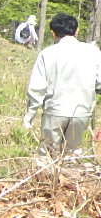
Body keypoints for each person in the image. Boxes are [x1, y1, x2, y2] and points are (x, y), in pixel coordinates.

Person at [23, 13, 101, 157]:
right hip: (82, 112)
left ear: (53, 33)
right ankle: (72, 178)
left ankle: (48, 178)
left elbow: (37, 88)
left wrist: (30, 115)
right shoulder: (93, 52)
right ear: (76, 31)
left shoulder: (47, 53)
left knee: (48, 153)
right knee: (73, 153)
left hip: (55, 111)